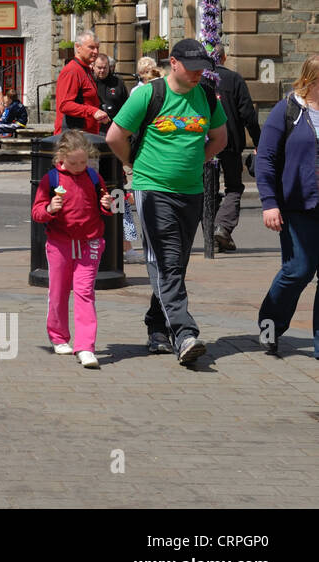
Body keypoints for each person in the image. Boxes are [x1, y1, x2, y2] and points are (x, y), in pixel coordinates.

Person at [106, 38, 227, 367]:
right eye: (192, 68)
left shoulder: (205, 96)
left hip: (191, 191)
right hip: (153, 189)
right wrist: (133, 163)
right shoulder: (149, 94)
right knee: (168, 262)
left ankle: (157, 326)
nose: (198, 74)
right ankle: (185, 333)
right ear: (173, 63)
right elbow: (114, 136)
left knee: (174, 264)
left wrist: (197, 161)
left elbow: (220, 138)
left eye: (202, 68)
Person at [32, 130, 114, 369]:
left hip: (90, 241)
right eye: (73, 162)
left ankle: (86, 347)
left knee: (85, 292)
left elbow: (104, 204)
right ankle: (58, 336)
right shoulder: (52, 179)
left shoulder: (93, 176)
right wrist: (50, 208)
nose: (79, 167)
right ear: (61, 157)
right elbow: (37, 212)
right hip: (60, 243)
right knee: (58, 291)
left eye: (83, 162)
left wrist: (107, 205)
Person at [255, 53, 319, 358]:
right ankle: (269, 326)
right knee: (298, 270)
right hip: (297, 204)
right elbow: (265, 159)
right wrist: (269, 203)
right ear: (311, 80)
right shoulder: (289, 109)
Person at [207, 46, 259, 253]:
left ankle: (214, 234)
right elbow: (248, 114)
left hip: (206, 142)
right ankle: (222, 228)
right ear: (224, 57)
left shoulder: (200, 80)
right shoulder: (235, 79)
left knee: (207, 190)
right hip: (230, 142)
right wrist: (259, 142)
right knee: (234, 187)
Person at [55, 30, 108, 135]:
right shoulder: (72, 70)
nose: (96, 52)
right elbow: (65, 105)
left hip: (86, 136)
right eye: (91, 47)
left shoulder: (86, 69)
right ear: (78, 47)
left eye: (97, 47)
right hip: (73, 138)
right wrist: (93, 111)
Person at [93, 52, 129, 121]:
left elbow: (125, 106)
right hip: (95, 124)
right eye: (99, 68)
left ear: (109, 67)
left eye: (105, 68)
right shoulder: (89, 82)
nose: (102, 70)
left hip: (114, 123)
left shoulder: (118, 82)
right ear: (93, 67)